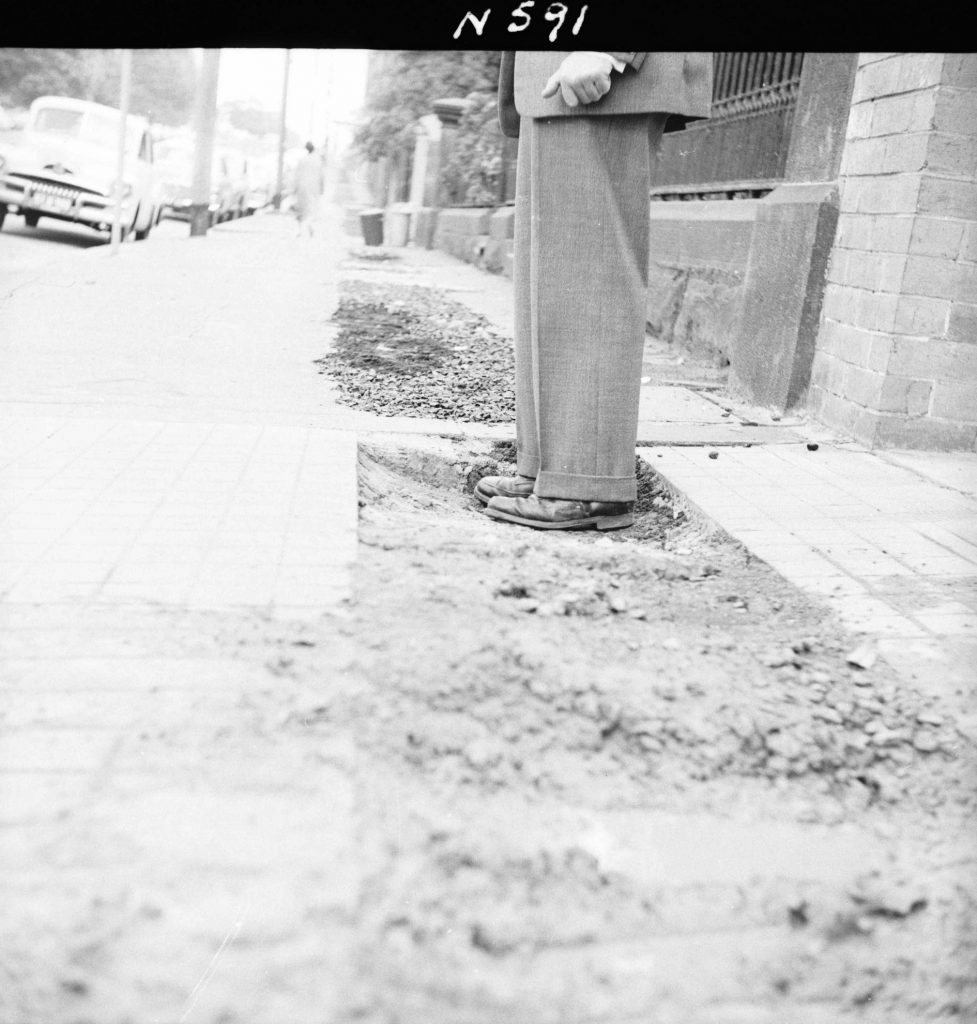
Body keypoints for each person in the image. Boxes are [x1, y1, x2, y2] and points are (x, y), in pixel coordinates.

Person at [476, 52, 712, 530]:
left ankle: (586, 483)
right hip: (555, 81)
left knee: (590, 279)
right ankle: (550, 468)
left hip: (598, 76)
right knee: (553, 286)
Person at [292, 141, 324, 237]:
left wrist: (295, 188)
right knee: (312, 208)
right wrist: (322, 188)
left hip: (302, 187)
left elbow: (297, 176)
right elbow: (322, 176)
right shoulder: (318, 161)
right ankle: (310, 224)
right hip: (314, 187)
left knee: (301, 209)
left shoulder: (302, 160)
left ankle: (300, 230)